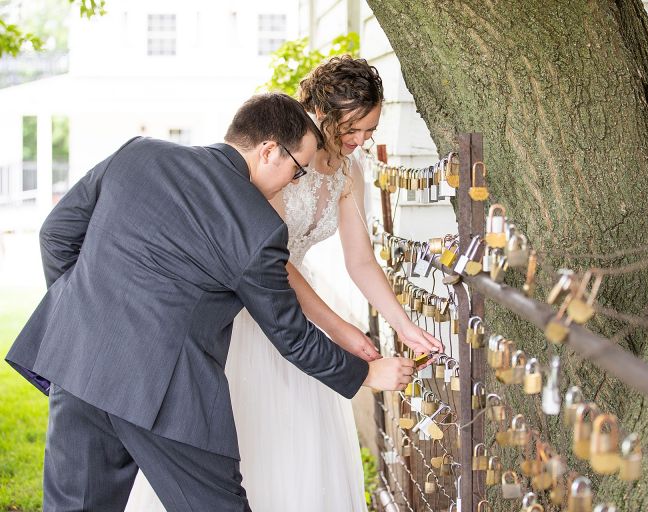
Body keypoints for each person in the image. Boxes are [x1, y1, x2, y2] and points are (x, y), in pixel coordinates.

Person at [5, 92, 421, 512]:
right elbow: (291, 335)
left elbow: (55, 235)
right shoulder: (258, 227)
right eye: (297, 171)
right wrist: (367, 374)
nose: (296, 183)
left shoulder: (137, 155)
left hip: (78, 365)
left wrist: (83, 313)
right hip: (168, 392)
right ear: (269, 151)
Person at [127, 56, 443, 511]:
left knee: (304, 441)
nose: (358, 141)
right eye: (351, 129)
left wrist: (404, 324)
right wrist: (340, 330)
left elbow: (361, 262)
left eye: (368, 131)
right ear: (320, 113)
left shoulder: (351, 173)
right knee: (246, 429)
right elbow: (274, 264)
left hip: (305, 305)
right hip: (254, 304)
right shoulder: (283, 157)